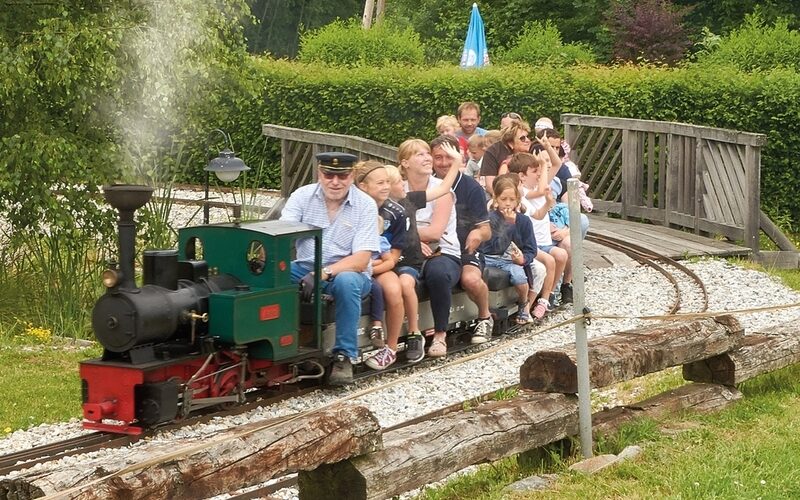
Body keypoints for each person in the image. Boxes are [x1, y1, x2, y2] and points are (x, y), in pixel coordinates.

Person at [279, 152, 379, 385]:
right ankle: (285, 344)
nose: (335, 182)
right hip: (305, 266)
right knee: (274, 280)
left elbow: (361, 259)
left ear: (352, 175)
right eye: (329, 175)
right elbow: (282, 235)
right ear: (319, 174)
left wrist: (323, 273)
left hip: (350, 272)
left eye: (342, 176)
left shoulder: (365, 205)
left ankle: (344, 355)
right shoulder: (302, 196)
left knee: (346, 282)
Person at [385, 151, 460, 363]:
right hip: (400, 254)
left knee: (437, 274)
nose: (427, 158)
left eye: (428, 153)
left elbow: (436, 231)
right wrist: (414, 240)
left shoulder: (410, 198)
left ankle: (438, 333)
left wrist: (457, 163)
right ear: (405, 162)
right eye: (420, 154)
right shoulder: (392, 195)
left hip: (438, 251)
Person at [430, 135, 494, 344]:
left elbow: (486, 229)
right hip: (433, 249)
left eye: (449, 157)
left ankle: (484, 316)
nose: (443, 163)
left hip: (464, 246)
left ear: (459, 158)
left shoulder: (471, 188)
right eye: (438, 157)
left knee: (470, 279)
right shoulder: (426, 183)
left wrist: (478, 233)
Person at [352, 160, 407, 370]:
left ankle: (390, 348)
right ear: (363, 186)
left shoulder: (396, 213)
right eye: (380, 183)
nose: (386, 187)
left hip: (377, 264)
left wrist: (369, 268)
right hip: (350, 262)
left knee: (393, 289)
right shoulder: (350, 208)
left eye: (387, 182)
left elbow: (392, 258)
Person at [507, 152, 568, 320]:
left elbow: (539, 213)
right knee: (548, 261)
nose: (540, 174)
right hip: (530, 244)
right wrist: (541, 163)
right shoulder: (522, 192)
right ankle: (529, 305)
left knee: (560, 255)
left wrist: (549, 203)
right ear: (521, 177)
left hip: (540, 242)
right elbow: (543, 190)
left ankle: (546, 297)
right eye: (535, 171)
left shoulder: (528, 191)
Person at [479, 173, 538, 324]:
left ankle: (523, 303)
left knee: (519, 277)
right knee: (479, 274)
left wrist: (523, 259)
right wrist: (508, 224)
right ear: (496, 200)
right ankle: (484, 310)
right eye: (503, 199)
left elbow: (531, 248)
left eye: (512, 200)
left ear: (517, 200)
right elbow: (494, 247)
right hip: (490, 257)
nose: (507, 203)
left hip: (510, 261)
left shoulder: (524, 221)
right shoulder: (490, 219)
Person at [480, 119, 534, 195]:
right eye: (522, 138)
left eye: (528, 137)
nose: (528, 140)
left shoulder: (533, 150)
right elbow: (490, 185)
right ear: (511, 143)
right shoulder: (494, 151)